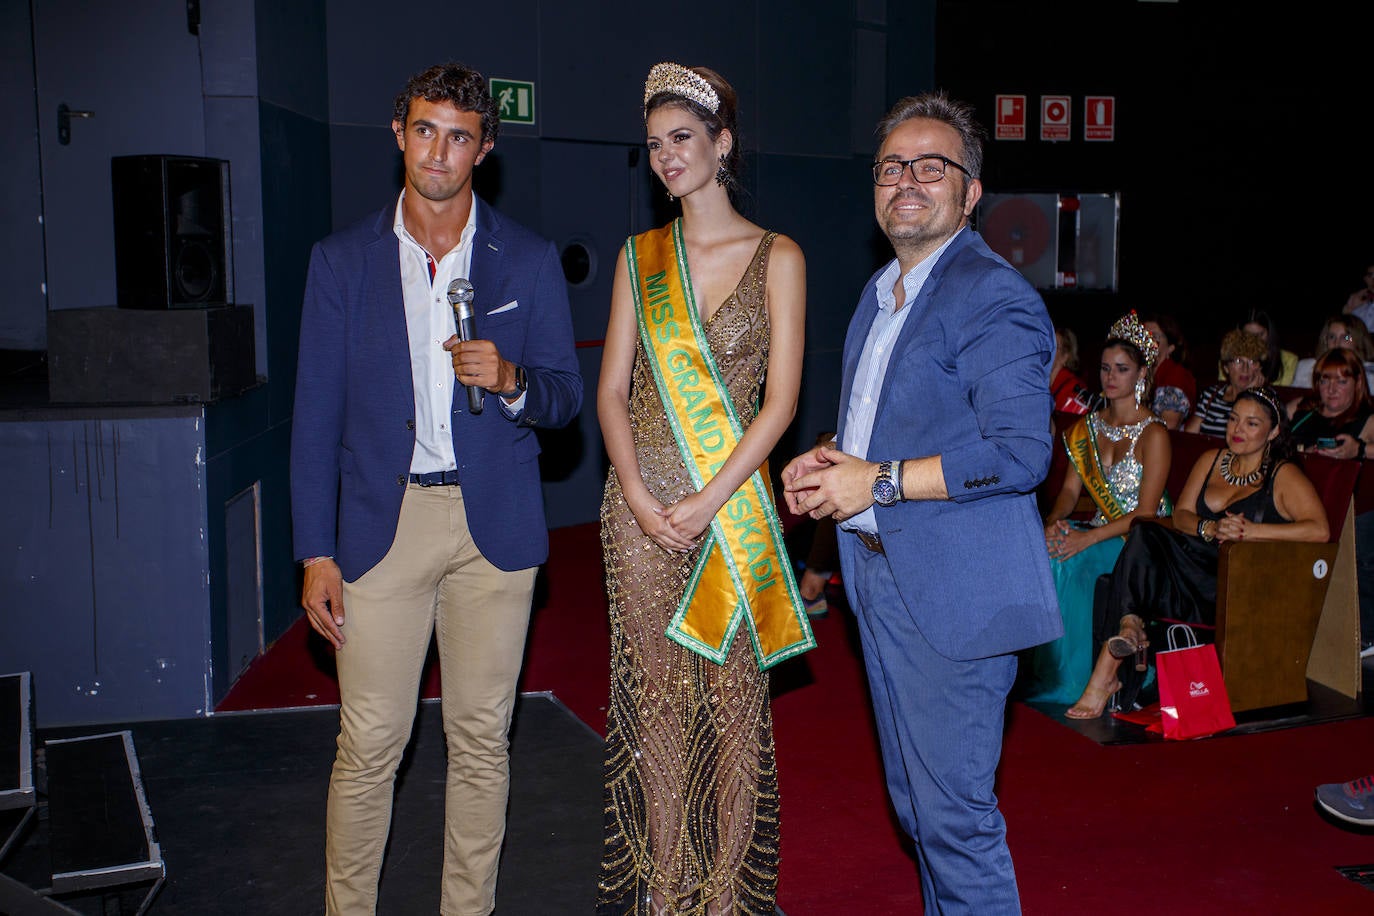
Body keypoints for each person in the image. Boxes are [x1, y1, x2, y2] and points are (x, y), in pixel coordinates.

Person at [289, 63, 583, 915]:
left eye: (460, 135)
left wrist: (513, 378)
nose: (439, 151)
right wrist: (316, 550)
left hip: (495, 529)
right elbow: (315, 420)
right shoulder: (341, 262)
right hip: (384, 525)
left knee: (481, 741)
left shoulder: (523, 259)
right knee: (371, 744)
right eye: (425, 129)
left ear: (483, 150)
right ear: (398, 135)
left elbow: (564, 398)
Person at [781, 90, 1062, 914]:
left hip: (957, 590)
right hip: (881, 577)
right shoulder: (884, 290)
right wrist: (835, 462)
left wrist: (879, 482)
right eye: (892, 166)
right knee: (919, 811)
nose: (908, 180)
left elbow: (1018, 453)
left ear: (970, 192)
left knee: (956, 821)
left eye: (932, 167)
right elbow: (890, 425)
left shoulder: (993, 296)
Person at [596, 62, 813, 915]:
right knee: (653, 705)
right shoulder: (638, 259)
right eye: (654, 145)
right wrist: (642, 497)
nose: (666, 158)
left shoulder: (779, 256)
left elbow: (783, 401)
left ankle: (723, 896)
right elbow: (613, 391)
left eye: (681, 139)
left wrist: (711, 496)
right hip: (640, 513)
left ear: (723, 145)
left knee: (733, 711)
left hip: (733, 513)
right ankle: (667, 888)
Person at [1067, 386, 1330, 717]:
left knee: (1145, 546)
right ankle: (1129, 627)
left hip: (1236, 584)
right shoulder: (1212, 460)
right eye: (1234, 419)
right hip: (1193, 574)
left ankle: (1110, 667)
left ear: (1274, 431)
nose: (1237, 430)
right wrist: (1209, 528)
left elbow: (1319, 530)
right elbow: (1181, 515)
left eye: (1251, 423)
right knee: (1145, 530)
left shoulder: (1282, 474)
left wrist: (1251, 532)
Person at [1024, 312, 1172, 705]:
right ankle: (1048, 673)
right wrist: (1055, 522)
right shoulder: (1087, 427)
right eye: (1106, 368)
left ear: (1142, 374)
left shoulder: (1154, 433)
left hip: (1141, 541)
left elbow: (1146, 513)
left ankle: (1079, 680)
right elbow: (1070, 493)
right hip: (1100, 528)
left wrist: (1085, 537)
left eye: (1122, 369)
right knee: (1051, 551)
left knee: (1077, 562)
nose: (1110, 377)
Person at [1285, 347, 1374, 460]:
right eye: (1324, 381)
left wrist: (1360, 449)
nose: (1331, 389)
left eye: (1341, 381)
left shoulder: (1367, 420)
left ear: (1358, 382)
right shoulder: (1301, 406)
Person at [1185, 328, 1268, 436]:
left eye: (1252, 362)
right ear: (1226, 367)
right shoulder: (1211, 394)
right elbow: (1189, 436)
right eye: (1238, 361)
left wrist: (1253, 395)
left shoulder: (1264, 400)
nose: (1245, 369)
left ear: (1259, 367)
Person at [1290, 314, 1374, 391]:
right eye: (1331, 337)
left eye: (1345, 337)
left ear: (1358, 341)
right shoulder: (1306, 368)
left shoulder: (1369, 374)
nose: (1337, 343)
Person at [1141, 312, 1196, 429]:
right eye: (1143, 336)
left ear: (1170, 348)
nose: (1147, 342)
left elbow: (1169, 426)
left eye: (1154, 337)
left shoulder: (1176, 376)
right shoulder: (1136, 373)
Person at [1235, 308, 1297, 386]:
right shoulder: (1231, 358)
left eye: (1260, 335)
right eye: (1249, 335)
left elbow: (1284, 393)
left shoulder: (1288, 360)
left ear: (1270, 333)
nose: (1255, 341)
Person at [1050, 324, 1096, 418]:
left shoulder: (1074, 391)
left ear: (1065, 356)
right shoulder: (1037, 383)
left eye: (1054, 346)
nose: (1047, 350)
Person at [1342, 263, 1374, 328]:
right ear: (1365, 278)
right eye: (1370, 275)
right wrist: (1348, 310)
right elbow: (1347, 335)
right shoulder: (1356, 303)